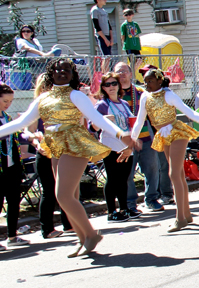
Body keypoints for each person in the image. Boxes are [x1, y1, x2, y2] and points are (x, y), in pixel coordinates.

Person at [0, 58, 136, 256]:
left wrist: (119, 133)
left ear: (73, 74)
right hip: (55, 146)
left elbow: (96, 118)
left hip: (75, 144)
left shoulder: (76, 96)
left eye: (66, 69)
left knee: (62, 195)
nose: (61, 72)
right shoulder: (43, 99)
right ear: (50, 74)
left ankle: (90, 234)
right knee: (69, 196)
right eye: (57, 69)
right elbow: (21, 122)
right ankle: (83, 238)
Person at [131, 67, 199, 231]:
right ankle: (187, 214)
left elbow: (190, 113)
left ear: (159, 81)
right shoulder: (144, 97)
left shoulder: (169, 94)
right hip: (163, 134)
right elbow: (140, 120)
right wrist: (132, 139)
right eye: (145, 81)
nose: (146, 84)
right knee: (178, 175)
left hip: (176, 131)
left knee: (174, 173)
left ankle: (180, 218)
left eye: (150, 81)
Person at [115, 62, 169, 214]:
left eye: (125, 71)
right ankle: (130, 203)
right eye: (119, 72)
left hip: (146, 137)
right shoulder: (114, 94)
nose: (122, 74)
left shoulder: (141, 92)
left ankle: (152, 199)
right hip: (124, 141)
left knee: (152, 169)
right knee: (128, 173)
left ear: (131, 74)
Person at [26, 74, 71, 239]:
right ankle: (47, 228)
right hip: (45, 153)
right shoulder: (37, 106)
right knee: (49, 191)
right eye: (46, 86)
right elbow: (28, 131)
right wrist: (36, 142)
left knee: (65, 190)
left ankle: (69, 225)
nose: (49, 89)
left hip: (63, 153)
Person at [93, 72, 135, 222]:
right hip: (110, 146)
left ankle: (124, 208)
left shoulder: (124, 103)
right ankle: (112, 211)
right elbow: (94, 127)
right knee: (112, 179)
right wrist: (103, 120)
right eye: (107, 84)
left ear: (119, 85)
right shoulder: (102, 105)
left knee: (124, 178)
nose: (111, 87)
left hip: (126, 146)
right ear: (103, 88)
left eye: (114, 83)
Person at [0, 84, 27, 249]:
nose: (7, 104)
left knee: (14, 201)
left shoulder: (7, 118)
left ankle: (12, 235)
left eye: (10, 101)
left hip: (12, 166)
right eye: (4, 100)